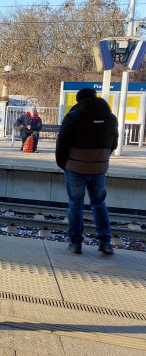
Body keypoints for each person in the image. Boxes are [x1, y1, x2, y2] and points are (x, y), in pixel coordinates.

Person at [55, 87, 118, 255]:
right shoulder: (110, 117)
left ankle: (76, 244)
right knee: (99, 203)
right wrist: (101, 158)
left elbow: (62, 142)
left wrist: (63, 163)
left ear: (79, 101)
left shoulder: (73, 116)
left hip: (75, 167)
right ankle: (105, 242)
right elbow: (114, 143)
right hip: (99, 168)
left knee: (76, 204)